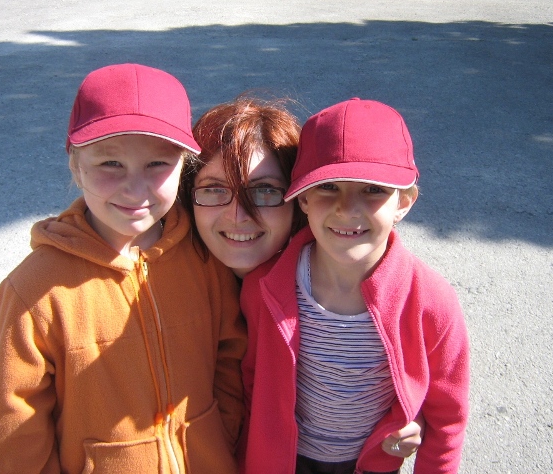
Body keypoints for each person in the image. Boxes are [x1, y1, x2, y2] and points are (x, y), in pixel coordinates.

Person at [0, 63, 246, 474]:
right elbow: (17, 428)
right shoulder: (33, 290)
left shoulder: (204, 257)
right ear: (75, 165)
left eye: (157, 164)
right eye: (110, 163)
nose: (135, 188)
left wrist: (220, 435)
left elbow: (230, 358)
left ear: (183, 165)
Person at [180, 95, 427, 467]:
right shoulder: (165, 290)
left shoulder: (337, 283)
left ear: (299, 199)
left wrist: (406, 414)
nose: (238, 215)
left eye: (265, 190)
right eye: (214, 189)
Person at [239, 98, 470, 473]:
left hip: (372, 464)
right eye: (329, 186)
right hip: (285, 461)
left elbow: (447, 418)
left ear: (404, 202)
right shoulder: (264, 288)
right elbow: (250, 385)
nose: (347, 208)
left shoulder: (431, 300)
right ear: (303, 199)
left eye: (373, 190)